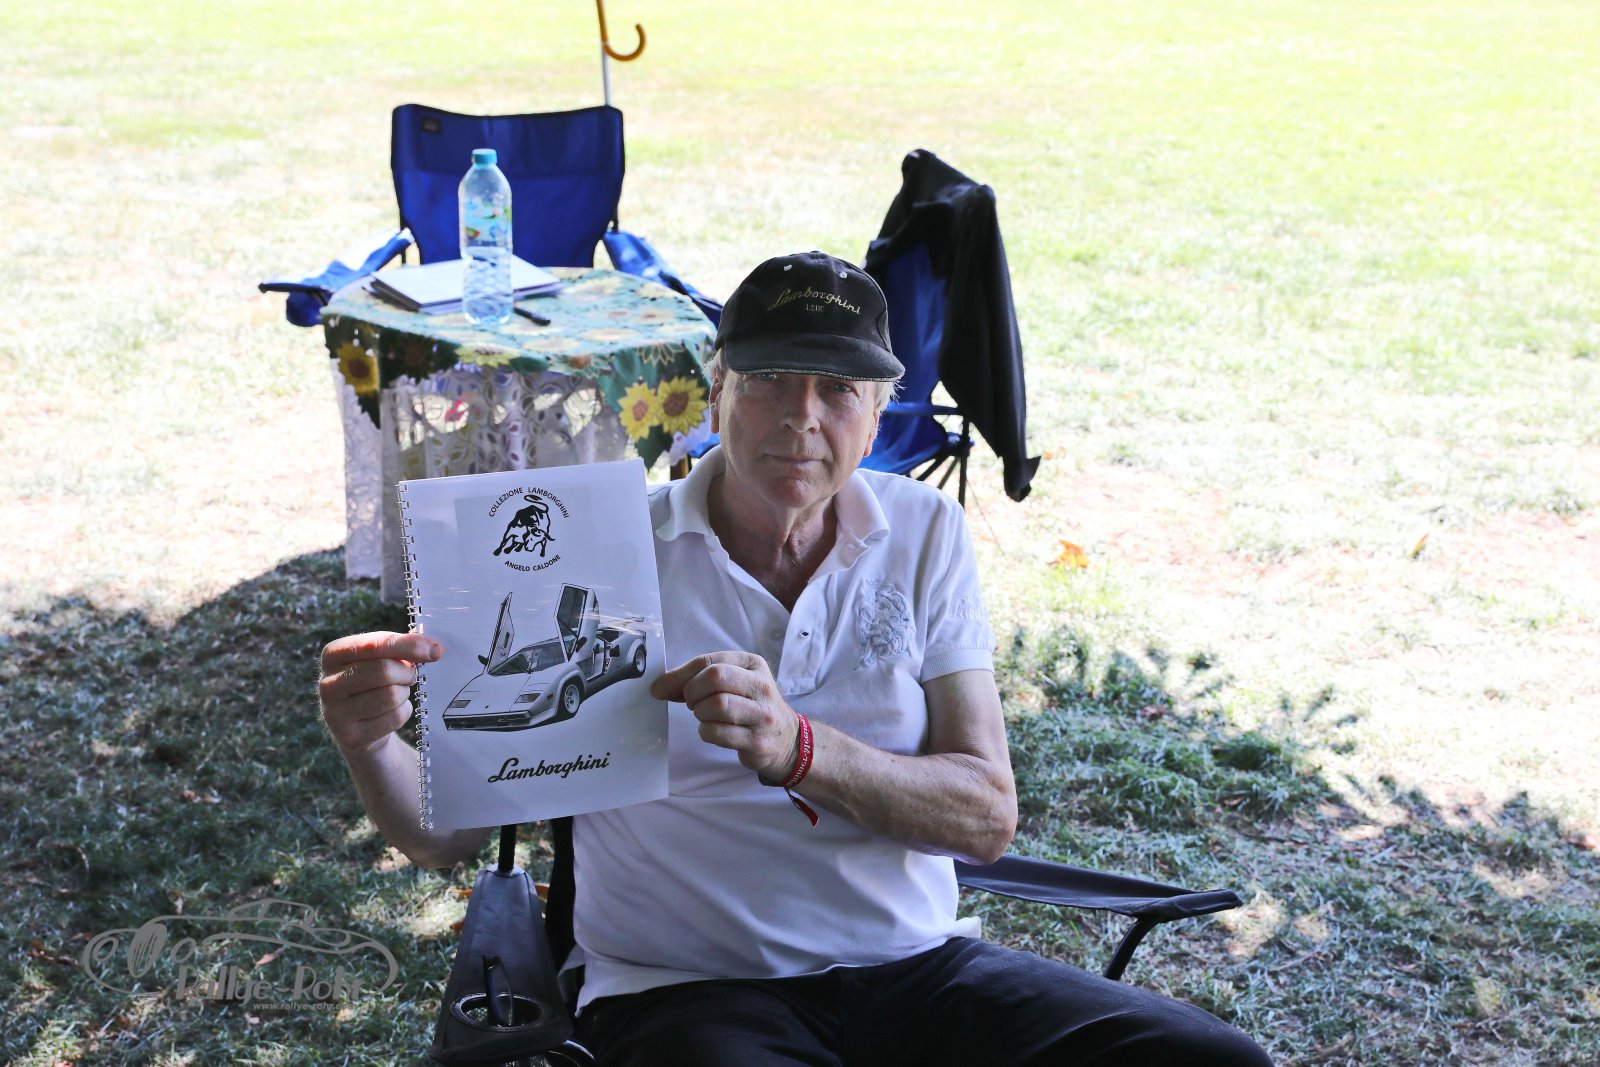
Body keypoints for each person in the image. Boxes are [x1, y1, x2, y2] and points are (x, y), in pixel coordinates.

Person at [319, 251, 1273, 1066]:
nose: (800, 416)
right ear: (717, 387)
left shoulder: (924, 532)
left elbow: (984, 815)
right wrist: (372, 744)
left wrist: (799, 747)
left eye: (838, 388)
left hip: (917, 965)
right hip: (687, 986)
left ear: (880, 410)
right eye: (770, 377)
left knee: (1215, 1060)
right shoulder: (609, 548)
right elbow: (447, 841)